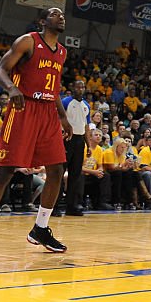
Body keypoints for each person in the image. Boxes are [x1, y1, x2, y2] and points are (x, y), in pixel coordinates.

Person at [0, 7, 72, 259]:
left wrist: (62, 115)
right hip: (23, 108)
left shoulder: (62, 52)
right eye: (55, 14)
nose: (61, 17)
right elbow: (0, 70)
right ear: (42, 21)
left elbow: (55, 87)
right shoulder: (27, 41)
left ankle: (40, 228)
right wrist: (11, 89)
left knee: (57, 169)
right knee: (6, 171)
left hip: (48, 112)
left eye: (63, 15)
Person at [62, 79, 90, 216]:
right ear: (73, 88)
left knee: (75, 175)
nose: (80, 89)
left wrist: (89, 145)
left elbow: (86, 126)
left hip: (80, 141)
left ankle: (71, 206)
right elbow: (58, 119)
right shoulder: (66, 102)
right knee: (60, 172)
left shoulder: (86, 105)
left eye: (83, 87)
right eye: (78, 87)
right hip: (67, 139)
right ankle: (53, 206)